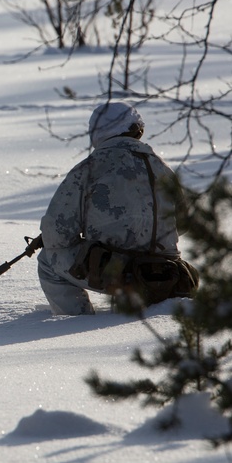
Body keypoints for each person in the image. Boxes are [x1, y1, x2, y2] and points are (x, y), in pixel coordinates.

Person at [36, 101, 196, 315]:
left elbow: (57, 233)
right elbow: (184, 223)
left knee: (48, 258)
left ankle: (78, 319)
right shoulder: (162, 167)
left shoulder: (88, 168)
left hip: (118, 274)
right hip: (169, 274)